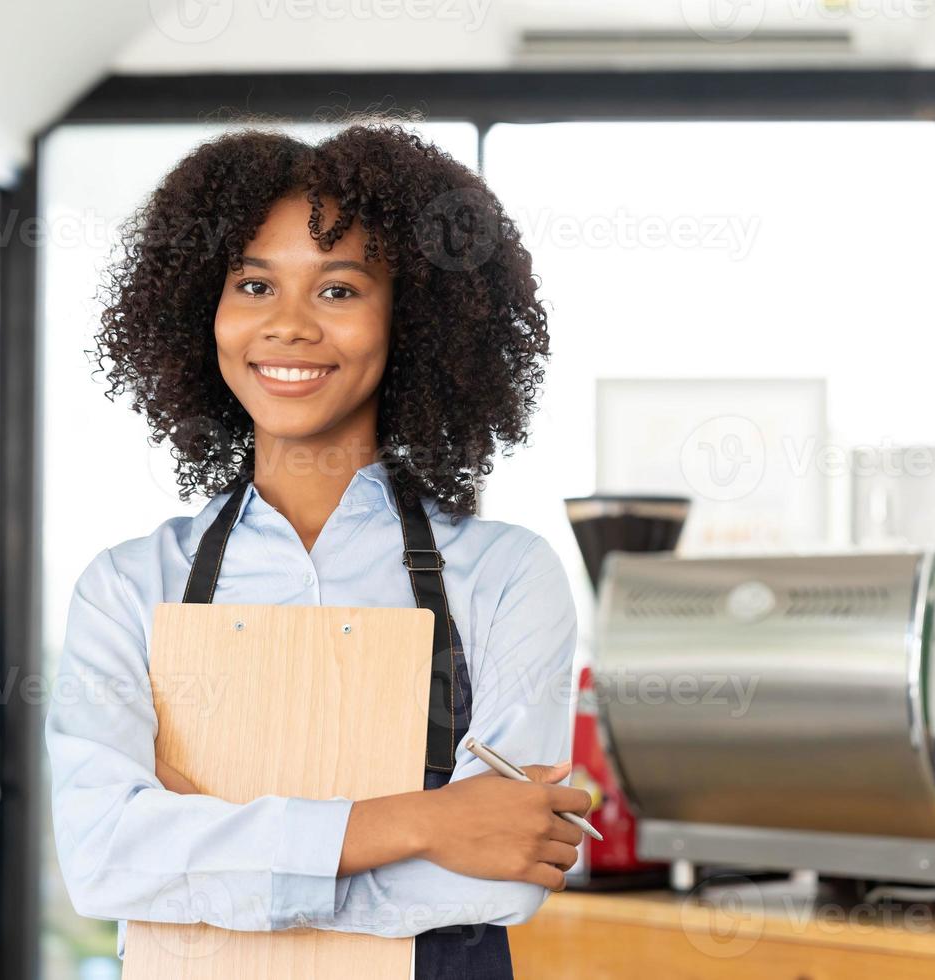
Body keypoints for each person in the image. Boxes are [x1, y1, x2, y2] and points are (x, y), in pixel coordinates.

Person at [43, 121, 589, 979]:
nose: (289, 326)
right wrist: (425, 825)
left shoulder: (508, 576)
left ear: (409, 320)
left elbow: (510, 873)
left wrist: (210, 869)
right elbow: (105, 856)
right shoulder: (125, 586)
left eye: (338, 291)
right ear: (203, 311)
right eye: (254, 284)